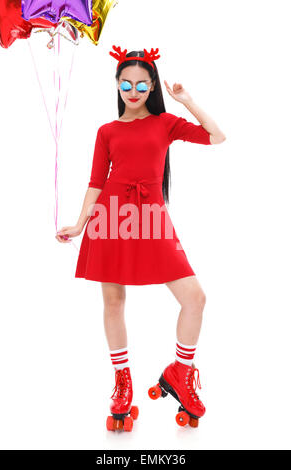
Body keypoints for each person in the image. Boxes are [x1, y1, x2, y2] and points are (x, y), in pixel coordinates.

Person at [56, 45, 226, 429]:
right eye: (126, 84)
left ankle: (181, 373)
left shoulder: (165, 123)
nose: (133, 91)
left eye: (141, 85)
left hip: (151, 218)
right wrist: (80, 222)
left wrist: (187, 100)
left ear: (151, 87)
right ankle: (121, 382)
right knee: (114, 302)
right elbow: (97, 182)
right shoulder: (107, 131)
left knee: (195, 298)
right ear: (117, 85)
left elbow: (217, 137)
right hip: (112, 217)